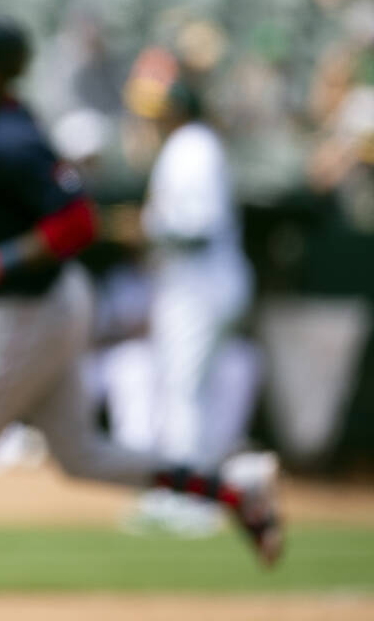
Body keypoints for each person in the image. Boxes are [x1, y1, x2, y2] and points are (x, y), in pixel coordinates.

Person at [0, 13, 281, 621]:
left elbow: (76, 221)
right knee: (81, 455)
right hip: (50, 304)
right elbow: (8, 207)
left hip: (27, 312)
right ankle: (230, 489)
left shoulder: (10, 138)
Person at [122, 45, 259, 534]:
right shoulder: (187, 146)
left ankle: (194, 500)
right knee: (183, 390)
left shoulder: (194, 146)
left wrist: (144, 229)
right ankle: (183, 491)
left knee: (186, 391)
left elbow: (198, 227)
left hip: (203, 287)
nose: (150, 119)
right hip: (194, 286)